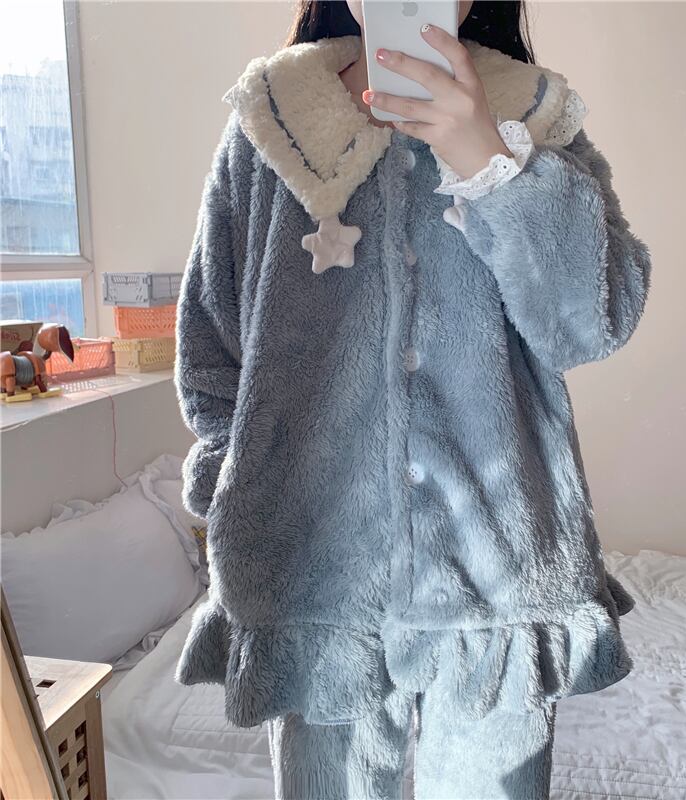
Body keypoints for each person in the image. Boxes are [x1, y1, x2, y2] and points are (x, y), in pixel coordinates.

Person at [173, 1, 652, 797]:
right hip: (310, 576)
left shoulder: (534, 116)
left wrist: (491, 160)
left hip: (499, 582)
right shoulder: (271, 121)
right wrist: (236, 498)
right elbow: (212, 351)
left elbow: (591, 322)